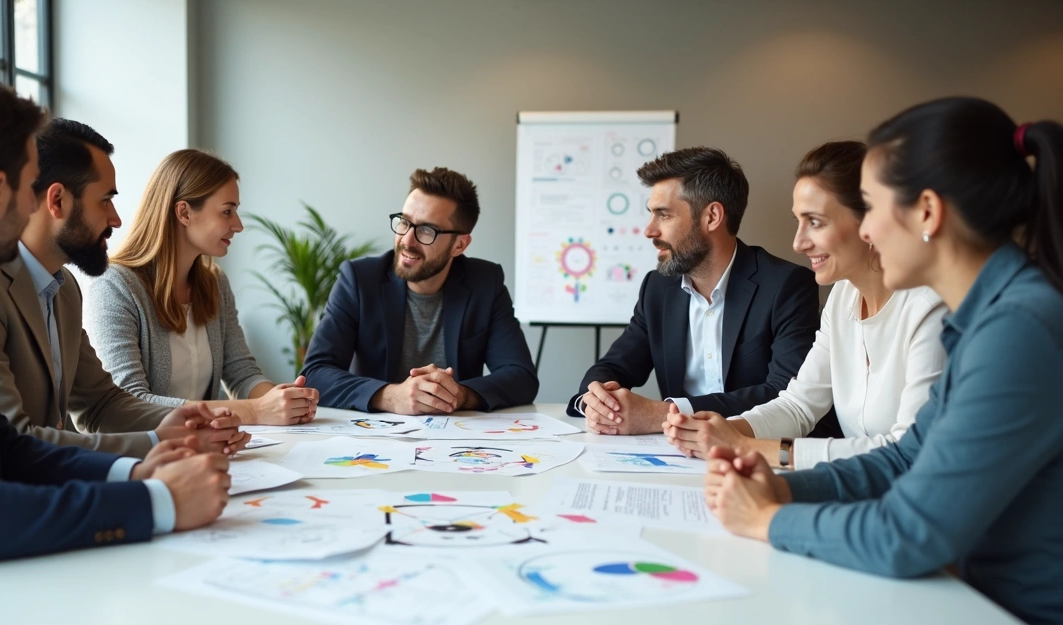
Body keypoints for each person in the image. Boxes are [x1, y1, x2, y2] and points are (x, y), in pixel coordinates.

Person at [0, 70, 232, 595]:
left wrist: (134, 476)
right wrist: (157, 504)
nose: (35, 208)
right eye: (31, 188)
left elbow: (1, 447)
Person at [704, 98, 1063, 625]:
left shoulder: (1019, 327)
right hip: (971, 602)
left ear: (926, 212)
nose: (866, 230)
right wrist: (789, 490)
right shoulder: (987, 317)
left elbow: (909, 533)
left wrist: (766, 519)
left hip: (1014, 621)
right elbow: (907, 457)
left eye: (869, 207)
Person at [662, 141, 947, 469]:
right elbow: (799, 405)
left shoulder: (930, 308)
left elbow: (907, 453)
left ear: (870, 222)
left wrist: (746, 446)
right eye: (799, 221)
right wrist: (724, 428)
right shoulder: (843, 297)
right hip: (862, 490)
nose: (798, 243)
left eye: (815, 222)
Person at [0, 118, 249, 457]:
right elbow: (13, 440)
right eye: (105, 200)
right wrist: (158, 442)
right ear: (57, 201)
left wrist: (190, 422)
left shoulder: (64, 290)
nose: (116, 219)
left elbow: (101, 403)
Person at [569, 147, 821, 436]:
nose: (649, 230)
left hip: (752, 453)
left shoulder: (785, 285)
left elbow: (784, 395)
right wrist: (596, 402)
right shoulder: (658, 288)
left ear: (712, 217)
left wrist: (662, 414)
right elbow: (614, 366)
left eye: (663, 215)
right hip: (677, 455)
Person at [86, 149, 318, 425]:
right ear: (184, 212)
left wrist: (284, 401)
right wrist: (255, 411)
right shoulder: (114, 286)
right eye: (227, 211)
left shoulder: (214, 283)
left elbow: (241, 373)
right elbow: (129, 403)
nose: (239, 225)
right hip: (145, 458)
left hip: (202, 447)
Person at [301, 167, 539, 414]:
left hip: (457, 435)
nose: (407, 240)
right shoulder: (359, 280)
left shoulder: (485, 283)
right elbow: (315, 374)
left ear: (459, 244)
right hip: (372, 437)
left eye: (426, 230)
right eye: (404, 222)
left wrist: (459, 395)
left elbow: (521, 377)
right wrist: (391, 397)